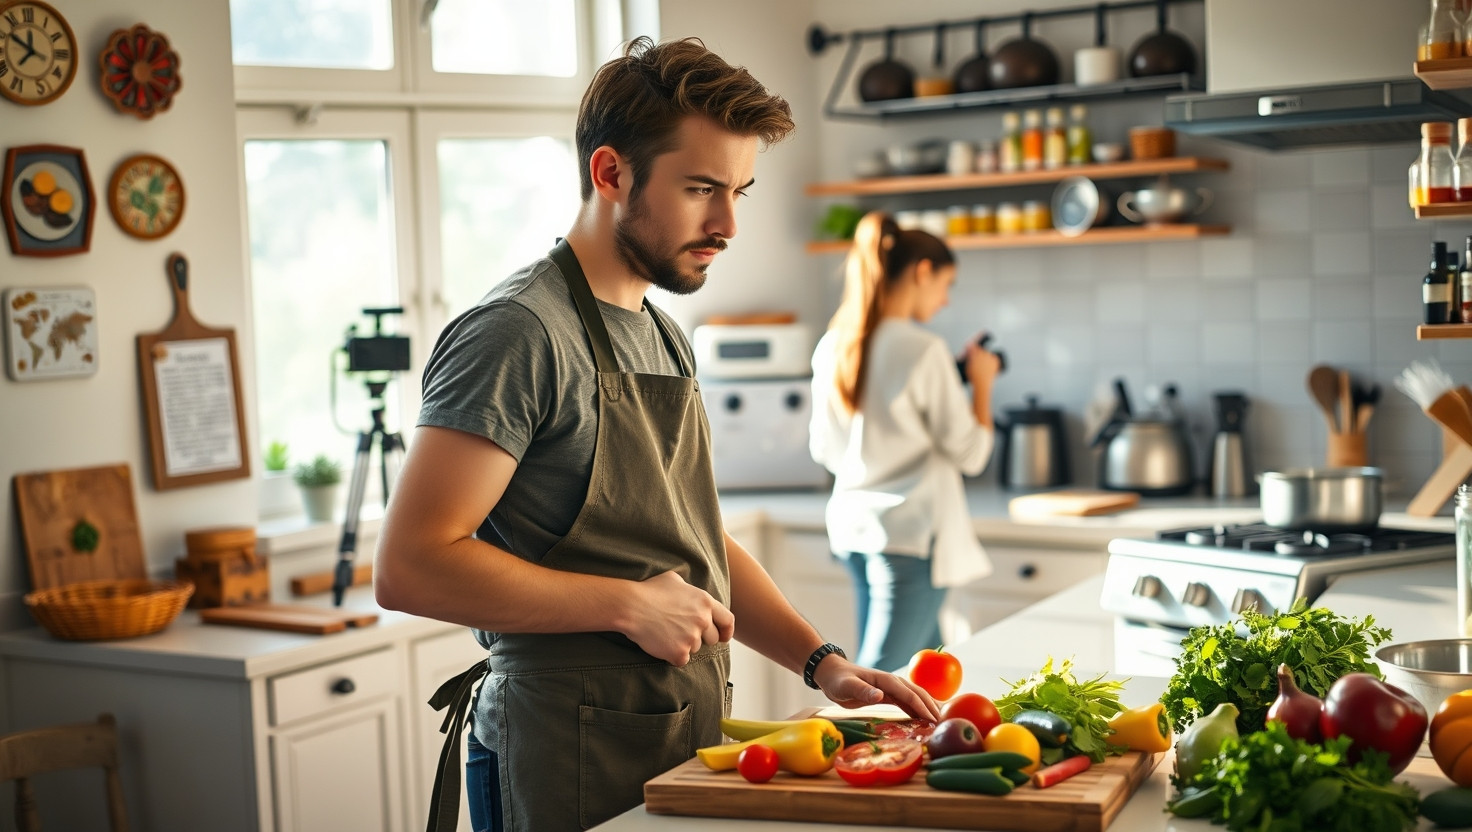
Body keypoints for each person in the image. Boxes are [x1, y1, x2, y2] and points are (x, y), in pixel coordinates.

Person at [373, 38, 941, 832]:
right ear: (611, 173)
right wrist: (626, 605)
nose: (728, 223)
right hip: (558, 746)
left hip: (672, 731)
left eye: (738, 191)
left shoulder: (662, 333)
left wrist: (823, 663)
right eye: (701, 188)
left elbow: (696, 542)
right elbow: (410, 566)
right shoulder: (518, 333)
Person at [808, 210, 1002, 674]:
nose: (945, 300)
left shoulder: (833, 345)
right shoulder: (923, 350)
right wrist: (982, 385)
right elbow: (972, 454)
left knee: (929, 674)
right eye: (946, 284)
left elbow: (825, 450)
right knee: (878, 680)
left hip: (855, 530)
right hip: (910, 540)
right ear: (922, 271)